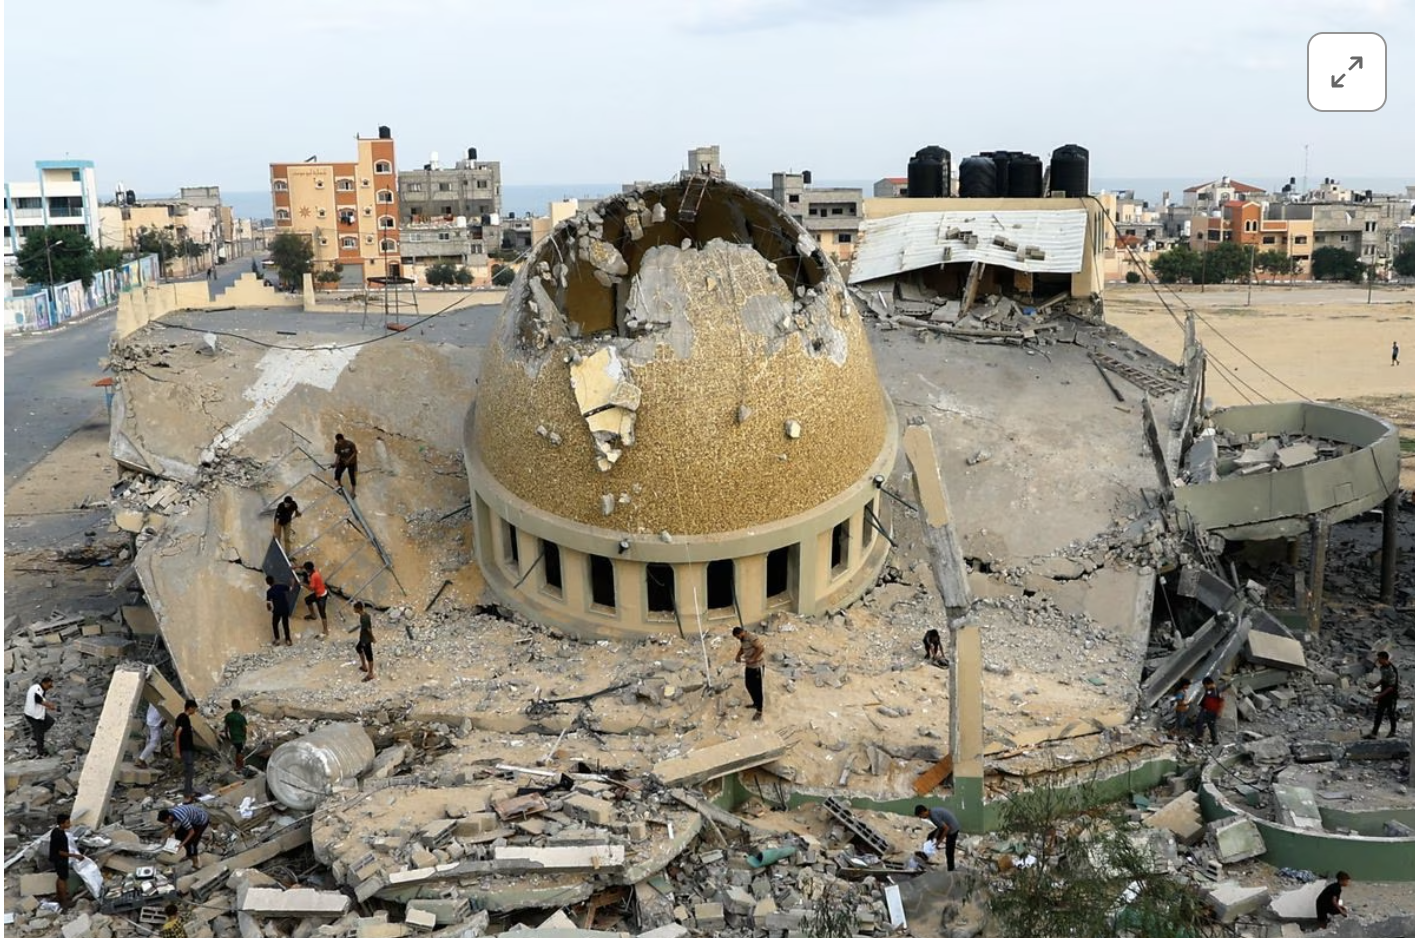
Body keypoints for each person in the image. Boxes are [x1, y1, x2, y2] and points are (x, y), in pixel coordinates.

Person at [157, 802, 210, 869]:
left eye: (165, 822)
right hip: (191, 817)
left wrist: (181, 844)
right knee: (179, 835)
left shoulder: (181, 817)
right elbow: (171, 828)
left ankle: (196, 862)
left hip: (201, 820)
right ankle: (188, 855)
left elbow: (191, 832)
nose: (165, 823)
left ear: (169, 818)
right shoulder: (169, 813)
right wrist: (165, 839)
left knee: (192, 843)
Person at [49, 813, 85, 909]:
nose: (70, 825)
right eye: (67, 823)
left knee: (60, 877)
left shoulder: (56, 831)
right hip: (60, 859)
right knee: (63, 879)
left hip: (57, 858)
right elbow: (60, 851)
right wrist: (76, 856)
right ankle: (64, 901)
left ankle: (58, 896)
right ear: (61, 824)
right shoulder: (59, 835)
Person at [913, 804, 961, 871]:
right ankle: (925, 855)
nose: (921, 818)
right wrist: (935, 838)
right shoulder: (931, 813)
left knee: (949, 851)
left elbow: (946, 829)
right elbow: (940, 827)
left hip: (952, 829)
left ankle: (951, 869)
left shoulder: (933, 816)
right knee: (931, 836)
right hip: (947, 826)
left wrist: (939, 841)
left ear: (923, 812)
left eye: (920, 816)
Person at [732, 626, 765, 720]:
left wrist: (753, 659)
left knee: (757, 689)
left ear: (741, 633)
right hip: (749, 666)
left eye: (737, 637)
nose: (738, 639)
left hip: (757, 666)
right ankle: (755, 703)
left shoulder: (751, 637)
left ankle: (759, 711)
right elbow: (743, 648)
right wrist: (738, 655)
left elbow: (760, 648)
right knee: (748, 685)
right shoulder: (743, 639)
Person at [1365, 650, 1399, 739]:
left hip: (1391, 695)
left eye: (1379, 659)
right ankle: (1374, 733)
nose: (1378, 660)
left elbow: (1391, 687)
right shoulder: (1383, 667)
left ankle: (1393, 731)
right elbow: (1383, 679)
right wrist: (1374, 685)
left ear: (1384, 659)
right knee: (1379, 714)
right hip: (1384, 694)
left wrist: (1378, 696)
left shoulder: (1392, 670)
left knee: (1391, 714)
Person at [25, 676, 57, 757]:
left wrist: (48, 705)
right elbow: (38, 699)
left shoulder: (41, 690)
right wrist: (49, 705)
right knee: (40, 734)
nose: (49, 688)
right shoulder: (37, 688)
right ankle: (41, 752)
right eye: (49, 686)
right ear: (44, 683)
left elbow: (42, 700)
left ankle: (36, 735)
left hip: (38, 713)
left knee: (50, 722)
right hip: (32, 715)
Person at [174, 698, 198, 797]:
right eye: (194, 709)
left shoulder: (181, 717)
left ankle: (189, 790)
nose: (195, 711)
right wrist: (177, 751)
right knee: (190, 771)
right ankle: (188, 793)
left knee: (189, 771)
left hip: (187, 748)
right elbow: (177, 734)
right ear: (190, 708)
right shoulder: (184, 718)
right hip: (186, 749)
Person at [301, 561, 329, 636]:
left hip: (321, 596)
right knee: (307, 600)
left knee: (322, 613)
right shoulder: (314, 571)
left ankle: (325, 630)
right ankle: (313, 615)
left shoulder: (314, 576)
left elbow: (311, 588)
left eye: (305, 569)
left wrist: (303, 584)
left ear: (308, 570)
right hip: (318, 593)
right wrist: (296, 567)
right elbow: (303, 567)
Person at [1193, 676, 1224, 744]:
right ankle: (1199, 737)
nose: (1205, 687)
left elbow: (1221, 702)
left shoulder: (1217, 691)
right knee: (1199, 722)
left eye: (1205, 686)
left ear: (1209, 684)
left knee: (1211, 725)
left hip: (1212, 711)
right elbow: (1205, 698)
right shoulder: (1208, 690)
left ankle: (1214, 740)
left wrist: (1219, 712)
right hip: (1205, 709)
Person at [266, 574, 293, 646]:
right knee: (285, 624)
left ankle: (277, 639)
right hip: (285, 609)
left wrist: (269, 609)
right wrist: (292, 582)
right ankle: (288, 640)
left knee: (275, 624)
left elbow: (268, 603)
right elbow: (290, 589)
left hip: (277, 610)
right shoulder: (281, 586)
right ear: (274, 581)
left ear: (267, 583)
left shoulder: (269, 592)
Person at [137, 702, 165, 768]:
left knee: (153, 742)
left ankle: (143, 759)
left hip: (151, 719)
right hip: (155, 722)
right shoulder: (161, 699)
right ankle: (140, 760)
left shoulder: (154, 697)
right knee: (154, 743)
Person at [353, 601, 375, 682]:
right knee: (358, 648)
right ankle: (364, 666)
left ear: (358, 609)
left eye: (355, 608)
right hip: (363, 638)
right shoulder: (365, 615)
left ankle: (371, 674)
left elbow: (368, 629)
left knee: (369, 656)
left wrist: (372, 638)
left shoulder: (363, 618)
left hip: (366, 640)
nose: (354, 610)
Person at [223, 699, 248, 772]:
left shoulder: (228, 716)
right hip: (240, 738)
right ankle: (240, 767)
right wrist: (244, 734)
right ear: (239, 706)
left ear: (232, 706)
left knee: (237, 751)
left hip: (233, 737)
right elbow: (244, 728)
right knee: (240, 752)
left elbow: (226, 727)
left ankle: (237, 766)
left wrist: (227, 736)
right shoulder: (240, 717)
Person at [333, 433, 359, 498]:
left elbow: (355, 453)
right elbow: (338, 454)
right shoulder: (337, 445)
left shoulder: (350, 444)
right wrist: (336, 462)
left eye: (341, 441)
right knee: (337, 472)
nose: (340, 443)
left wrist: (349, 460)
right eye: (338, 441)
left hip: (351, 462)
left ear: (343, 439)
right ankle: (339, 484)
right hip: (343, 461)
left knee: (352, 476)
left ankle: (353, 491)